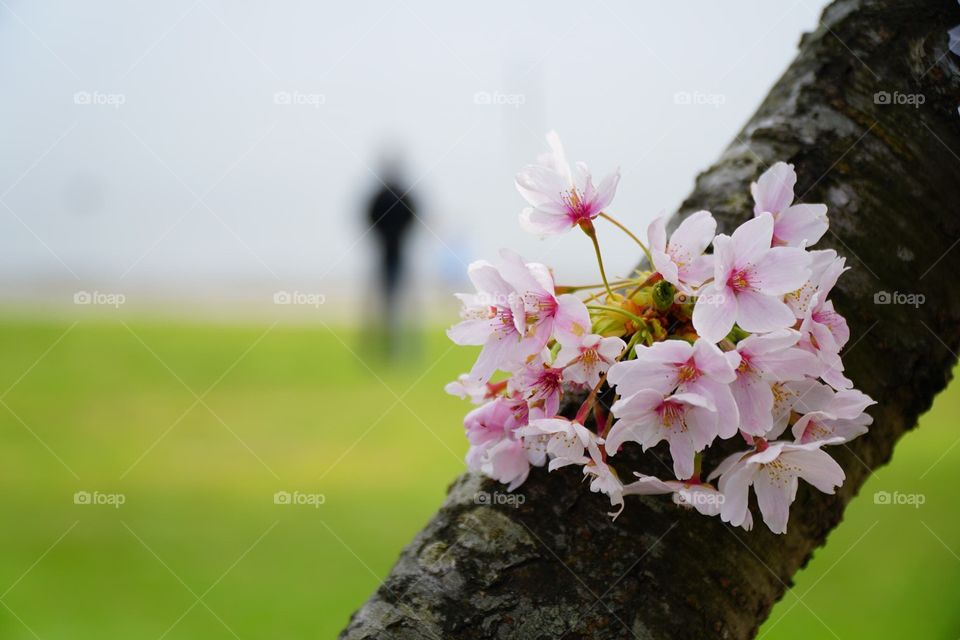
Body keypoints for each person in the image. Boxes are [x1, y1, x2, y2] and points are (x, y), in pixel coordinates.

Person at [366, 156, 417, 358]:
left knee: (387, 301)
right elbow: (413, 216)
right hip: (393, 252)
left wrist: (386, 235)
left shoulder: (381, 195)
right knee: (395, 301)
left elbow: (370, 217)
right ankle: (393, 344)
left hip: (389, 252)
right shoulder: (401, 194)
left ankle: (390, 343)